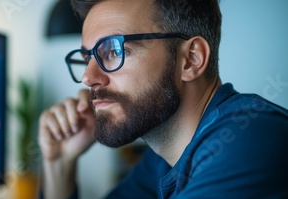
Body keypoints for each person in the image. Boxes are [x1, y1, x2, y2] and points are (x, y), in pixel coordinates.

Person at [38, 0, 288, 198]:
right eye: (87, 58)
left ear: (191, 59)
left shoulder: (250, 138)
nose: (87, 77)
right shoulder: (162, 159)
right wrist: (60, 163)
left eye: (114, 51)